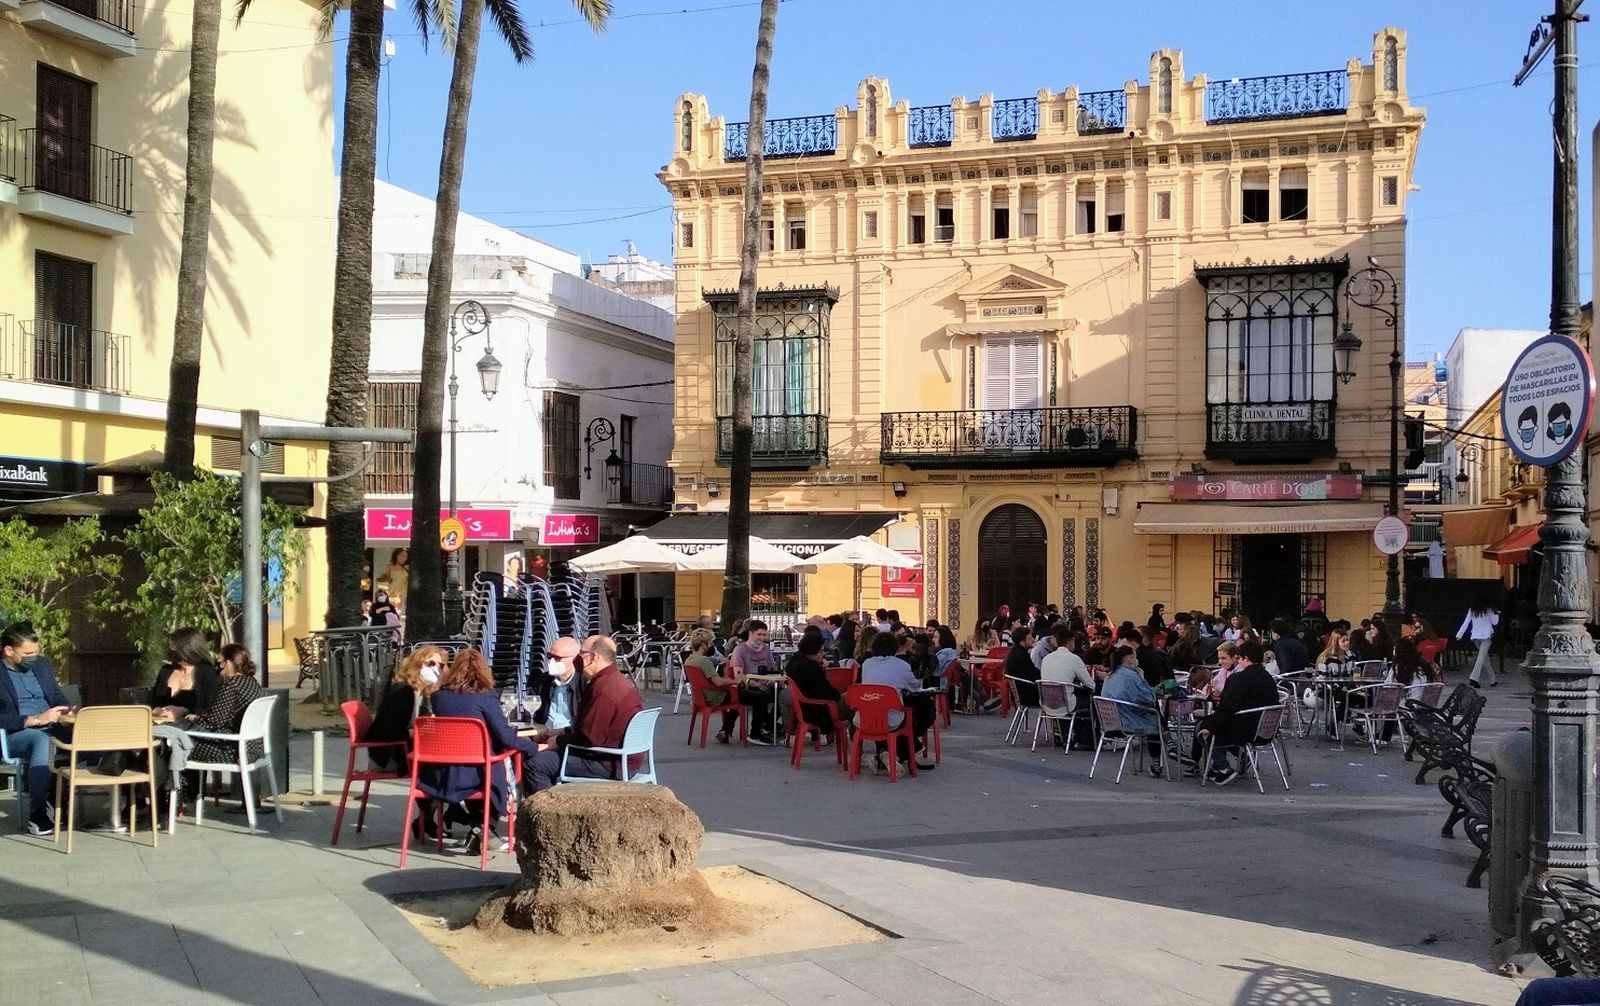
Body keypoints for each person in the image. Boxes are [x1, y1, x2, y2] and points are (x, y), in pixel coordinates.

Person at [422, 649, 540, 853]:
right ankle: (483, 827)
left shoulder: (438, 697)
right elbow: (504, 736)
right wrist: (533, 747)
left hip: (447, 771)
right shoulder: (486, 697)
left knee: (488, 765)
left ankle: (480, 826)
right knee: (500, 765)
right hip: (479, 771)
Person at [527, 635, 646, 791]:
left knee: (534, 764)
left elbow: (589, 738)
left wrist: (558, 741)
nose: (578, 660)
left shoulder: (604, 689)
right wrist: (561, 732)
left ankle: (552, 812)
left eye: (581, 655)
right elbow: (591, 729)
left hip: (608, 762)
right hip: (622, 759)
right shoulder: (617, 681)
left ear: (593, 657)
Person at [0, 623, 72, 836]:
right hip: (15, 734)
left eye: (36, 652)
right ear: (8, 650)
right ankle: (38, 815)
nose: (33, 658)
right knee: (41, 741)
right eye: (27, 653)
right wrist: (31, 720)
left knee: (96, 734)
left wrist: (66, 710)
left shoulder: (42, 666)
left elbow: (56, 696)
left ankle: (128, 803)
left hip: (53, 726)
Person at [185, 644, 267, 811]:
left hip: (232, 750)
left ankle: (179, 800)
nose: (218, 667)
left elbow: (215, 721)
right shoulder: (251, 682)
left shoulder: (231, 684)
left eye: (220, 662)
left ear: (228, 663)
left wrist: (193, 717)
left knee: (179, 746)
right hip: (255, 748)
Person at [1192, 640, 1281, 785]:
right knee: (1214, 725)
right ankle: (1221, 766)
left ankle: (1223, 768)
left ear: (1245, 658)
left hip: (1244, 730)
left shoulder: (1239, 679)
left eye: (1240, 658)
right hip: (1267, 729)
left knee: (1203, 727)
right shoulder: (1269, 679)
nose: (1239, 661)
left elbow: (1226, 709)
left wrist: (1210, 726)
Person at [857, 632, 935, 771]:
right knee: (924, 710)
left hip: (865, 718)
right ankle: (905, 750)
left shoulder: (867, 664)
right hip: (891, 720)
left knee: (880, 710)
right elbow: (915, 687)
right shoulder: (901, 665)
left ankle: (884, 753)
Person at [366, 645, 445, 771]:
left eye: (439, 665)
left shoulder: (422, 693)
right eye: (430, 664)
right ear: (417, 664)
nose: (435, 669)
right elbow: (387, 732)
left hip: (404, 750)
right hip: (388, 756)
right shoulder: (404, 692)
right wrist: (412, 733)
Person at [1101, 645, 1163, 775]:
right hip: (1128, 721)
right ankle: (1156, 762)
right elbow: (1149, 698)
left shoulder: (1109, 676)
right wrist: (1142, 678)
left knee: (1152, 717)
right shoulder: (1132, 676)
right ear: (1129, 658)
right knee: (1157, 721)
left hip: (1110, 721)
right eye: (1135, 656)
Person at [717, 620, 777, 744]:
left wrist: (772, 680)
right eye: (759, 635)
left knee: (784, 695)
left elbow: (773, 669)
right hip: (746, 686)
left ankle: (769, 725)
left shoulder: (766, 649)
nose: (762, 638)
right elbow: (739, 675)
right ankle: (756, 733)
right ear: (750, 633)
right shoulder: (740, 650)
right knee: (759, 697)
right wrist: (759, 685)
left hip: (765, 684)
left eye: (764, 635)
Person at [785, 634, 843, 737]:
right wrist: (839, 695)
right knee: (854, 702)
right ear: (812, 652)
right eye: (821, 651)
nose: (823, 654)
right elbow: (826, 692)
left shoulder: (796, 663)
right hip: (818, 709)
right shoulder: (811, 668)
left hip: (805, 707)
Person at [539, 636, 581, 732]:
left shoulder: (584, 684)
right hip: (544, 734)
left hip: (570, 737)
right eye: (550, 656)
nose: (552, 661)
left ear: (575, 659)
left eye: (558, 658)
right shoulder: (541, 682)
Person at [1458, 595, 1499, 688]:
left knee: (1484, 658)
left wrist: (1459, 635)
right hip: (1486, 637)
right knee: (1481, 658)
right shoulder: (1489, 611)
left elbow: (1466, 623)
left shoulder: (1472, 611)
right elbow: (1495, 622)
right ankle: (1474, 678)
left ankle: (1493, 679)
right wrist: (1496, 613)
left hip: (1475, 637)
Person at [1006, 625, 1040, 708]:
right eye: (1029, 638)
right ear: (1022, 642)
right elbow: (1034, 675)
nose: (1033, 640)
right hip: (1028, 695)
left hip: (1020, 692)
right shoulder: (1021, 655)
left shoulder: (1014, 651)